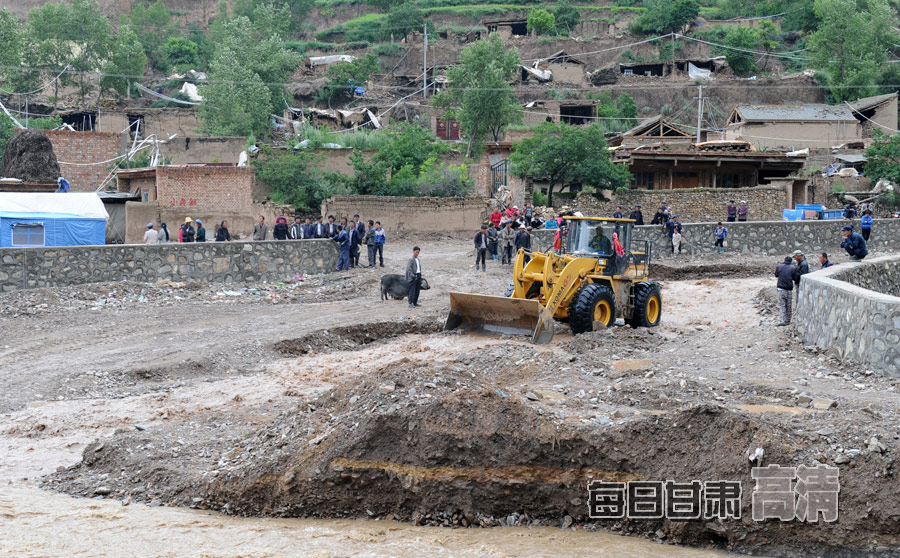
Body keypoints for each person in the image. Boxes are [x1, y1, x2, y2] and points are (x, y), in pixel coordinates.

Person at [775, 256, 795, 326]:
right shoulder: (793, 268)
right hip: (789, 289)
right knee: (788, 305)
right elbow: (794, 277)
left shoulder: (779, 266)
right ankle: (788, 320)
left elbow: (776, 275)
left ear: (784, 260)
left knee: (782, 305)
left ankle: (782, 320)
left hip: (780, 289)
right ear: (791, 261)